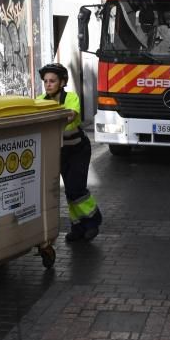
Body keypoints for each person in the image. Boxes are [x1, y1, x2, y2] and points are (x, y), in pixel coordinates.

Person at [38, 63, 102, 242]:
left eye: (52, 81)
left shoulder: (70, 97)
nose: (48, 84)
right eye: (46, 81)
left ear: (62, 82)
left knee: (76, 188)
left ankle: (93, 221)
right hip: (59, 152)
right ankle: (77, 227)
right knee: (70, 191)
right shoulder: (40, 100)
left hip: (78, 150)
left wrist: (51, 118)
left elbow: (71, 115)